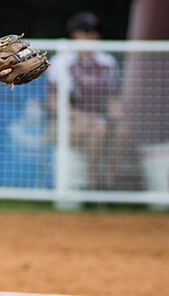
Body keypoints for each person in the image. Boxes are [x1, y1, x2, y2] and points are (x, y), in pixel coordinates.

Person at [46, 12, 125, 190]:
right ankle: (92, 185)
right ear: (75, 35)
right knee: (97, 127)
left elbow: (113, 99)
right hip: (66, 123)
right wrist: (83, 116)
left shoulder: (107, 62)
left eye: (95, 33)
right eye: (86, 32)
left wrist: (116, 116)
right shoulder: (62, 61)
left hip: (97, 121)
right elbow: (53, 102)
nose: (92, 37)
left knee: (120, 130)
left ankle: (109, 183)